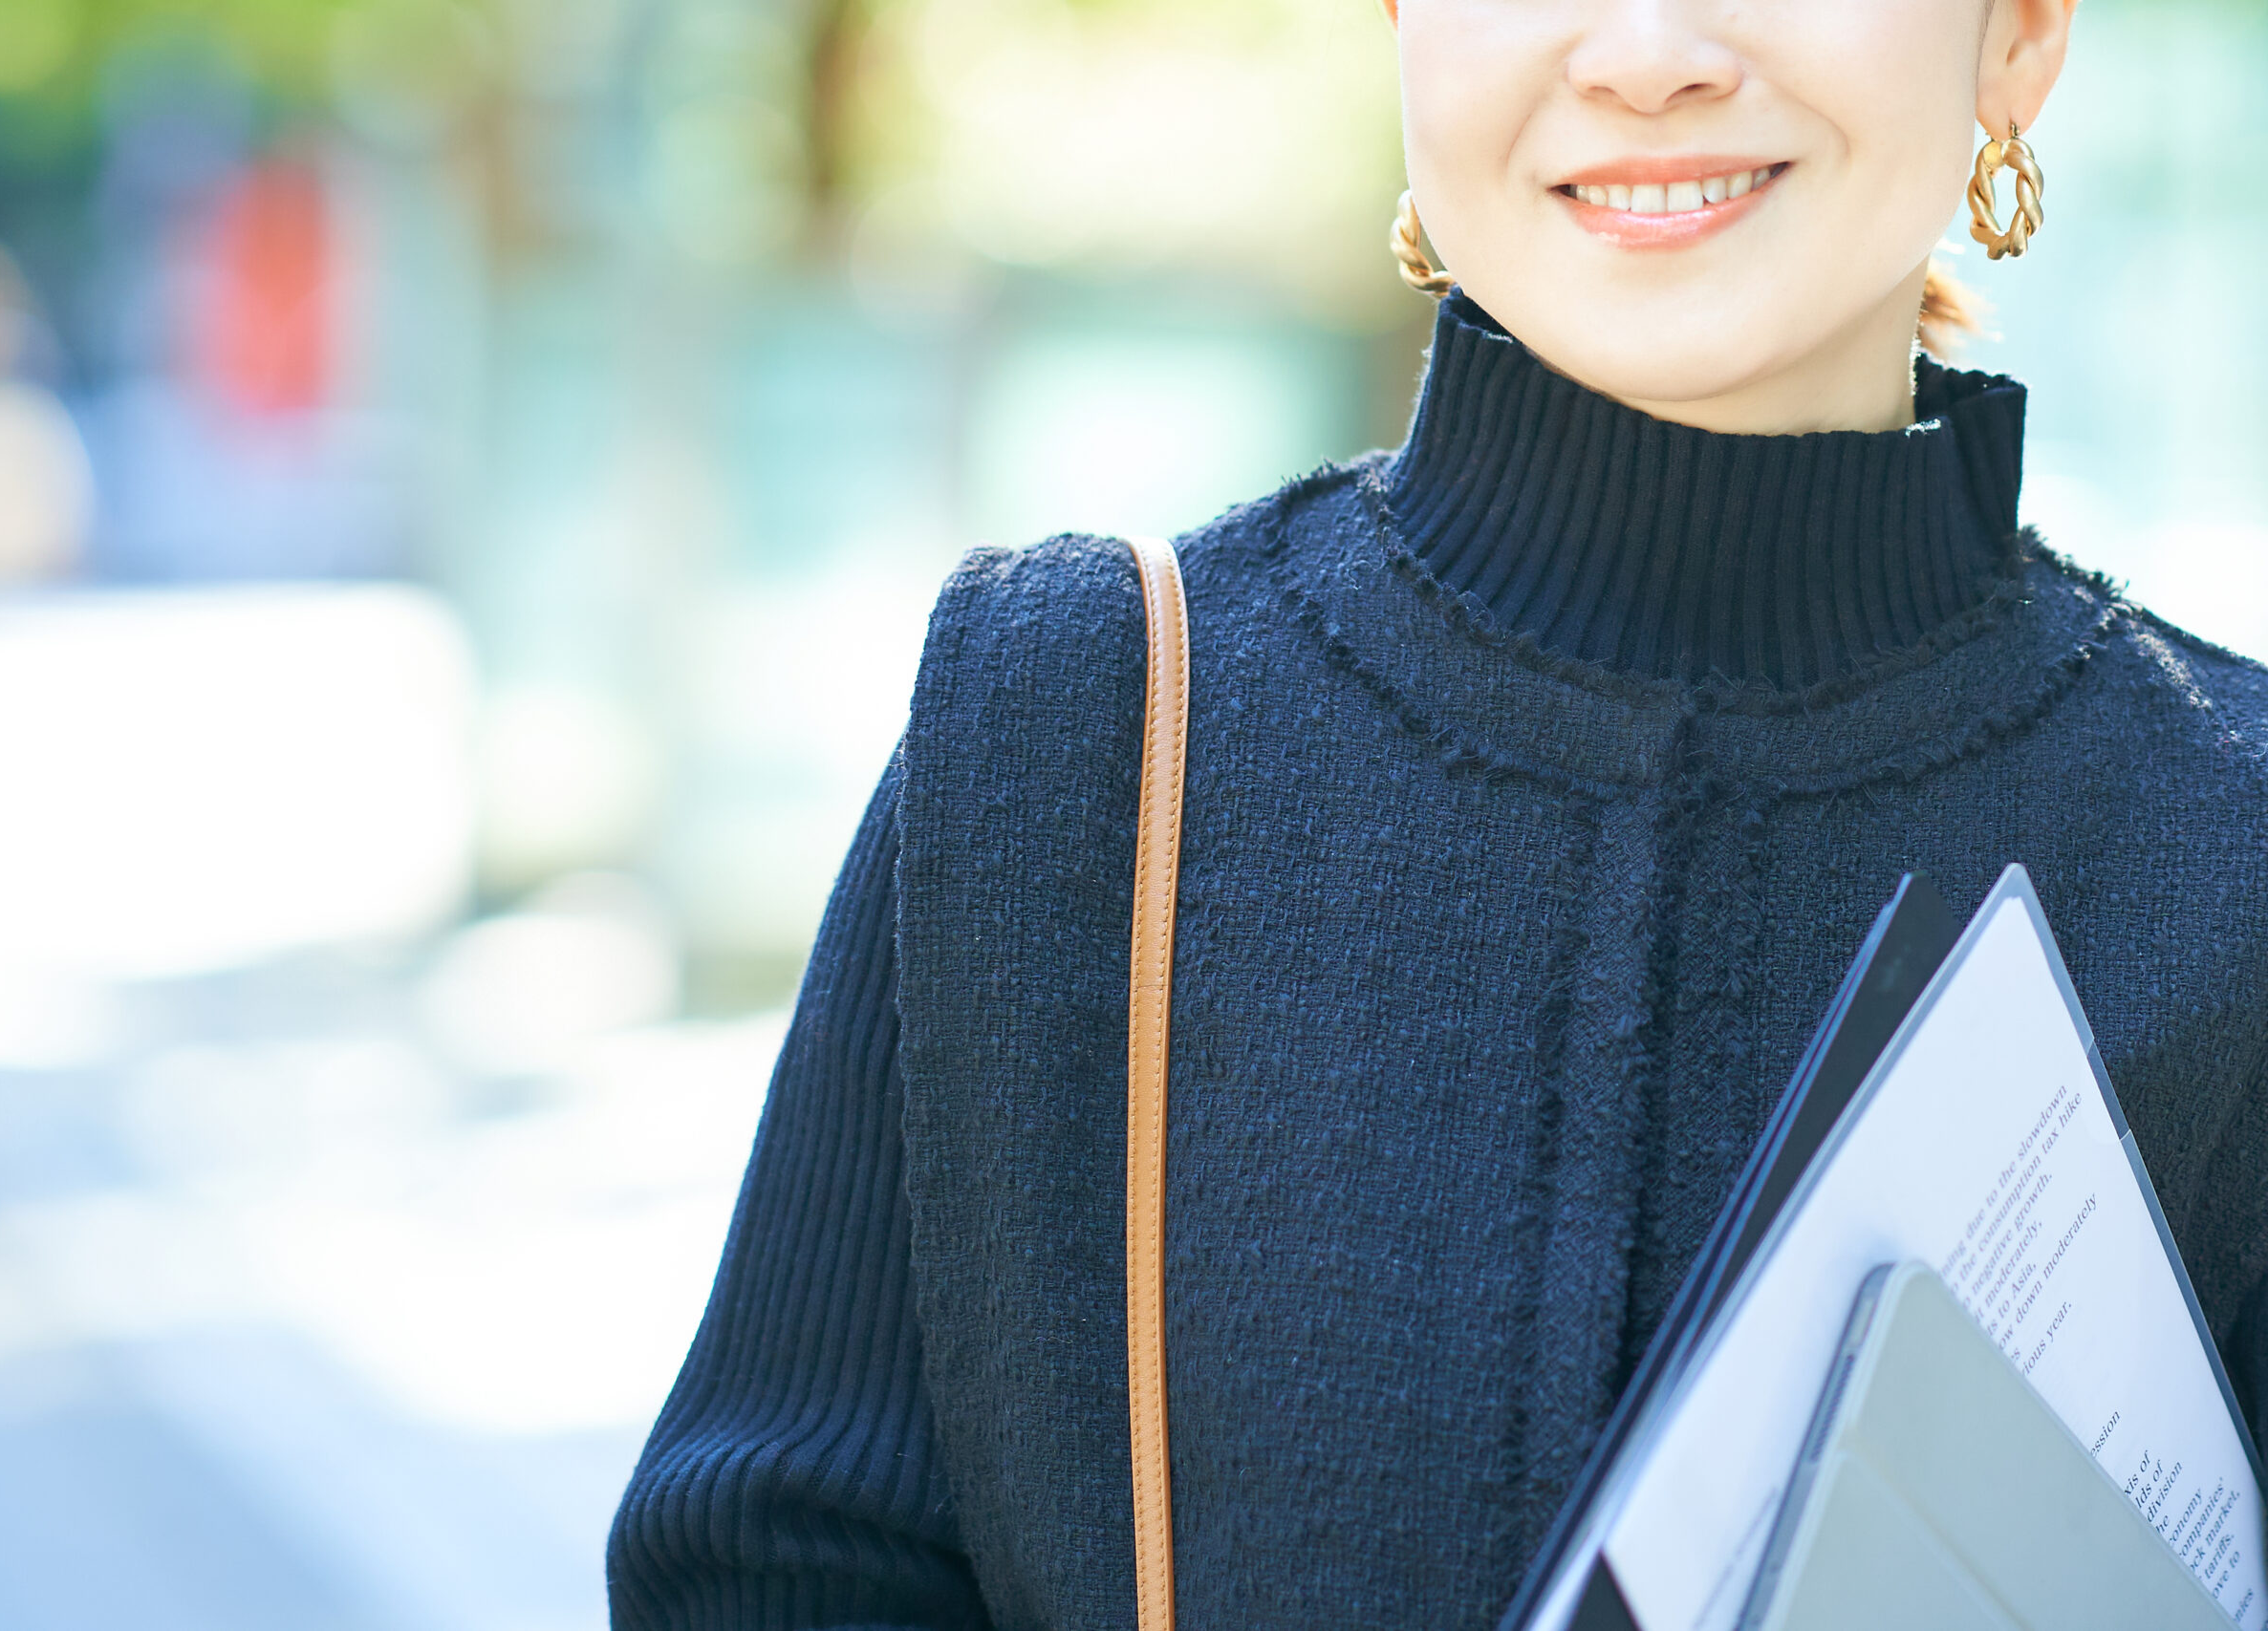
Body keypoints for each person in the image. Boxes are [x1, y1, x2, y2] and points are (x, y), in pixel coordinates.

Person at [611, 0, 2268, 1625]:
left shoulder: (2232, 847)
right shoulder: (1069, 728)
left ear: (2024, 32)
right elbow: (769, 1568)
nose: (1645, 53)